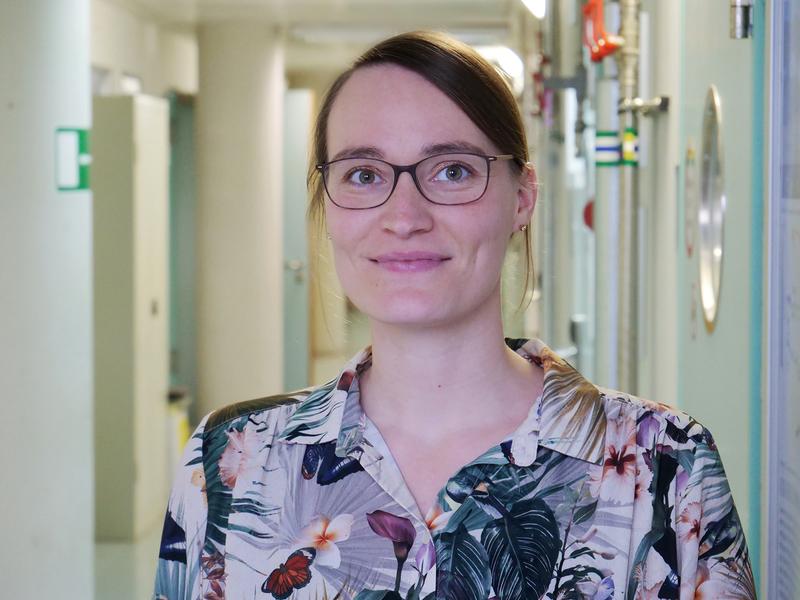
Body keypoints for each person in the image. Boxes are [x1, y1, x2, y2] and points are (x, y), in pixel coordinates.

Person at [153, 31, 755, 600]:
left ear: (522, 198)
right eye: (364, 175)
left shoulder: (664, 465)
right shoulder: (233, 461)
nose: (404, 215)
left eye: (453, 171)